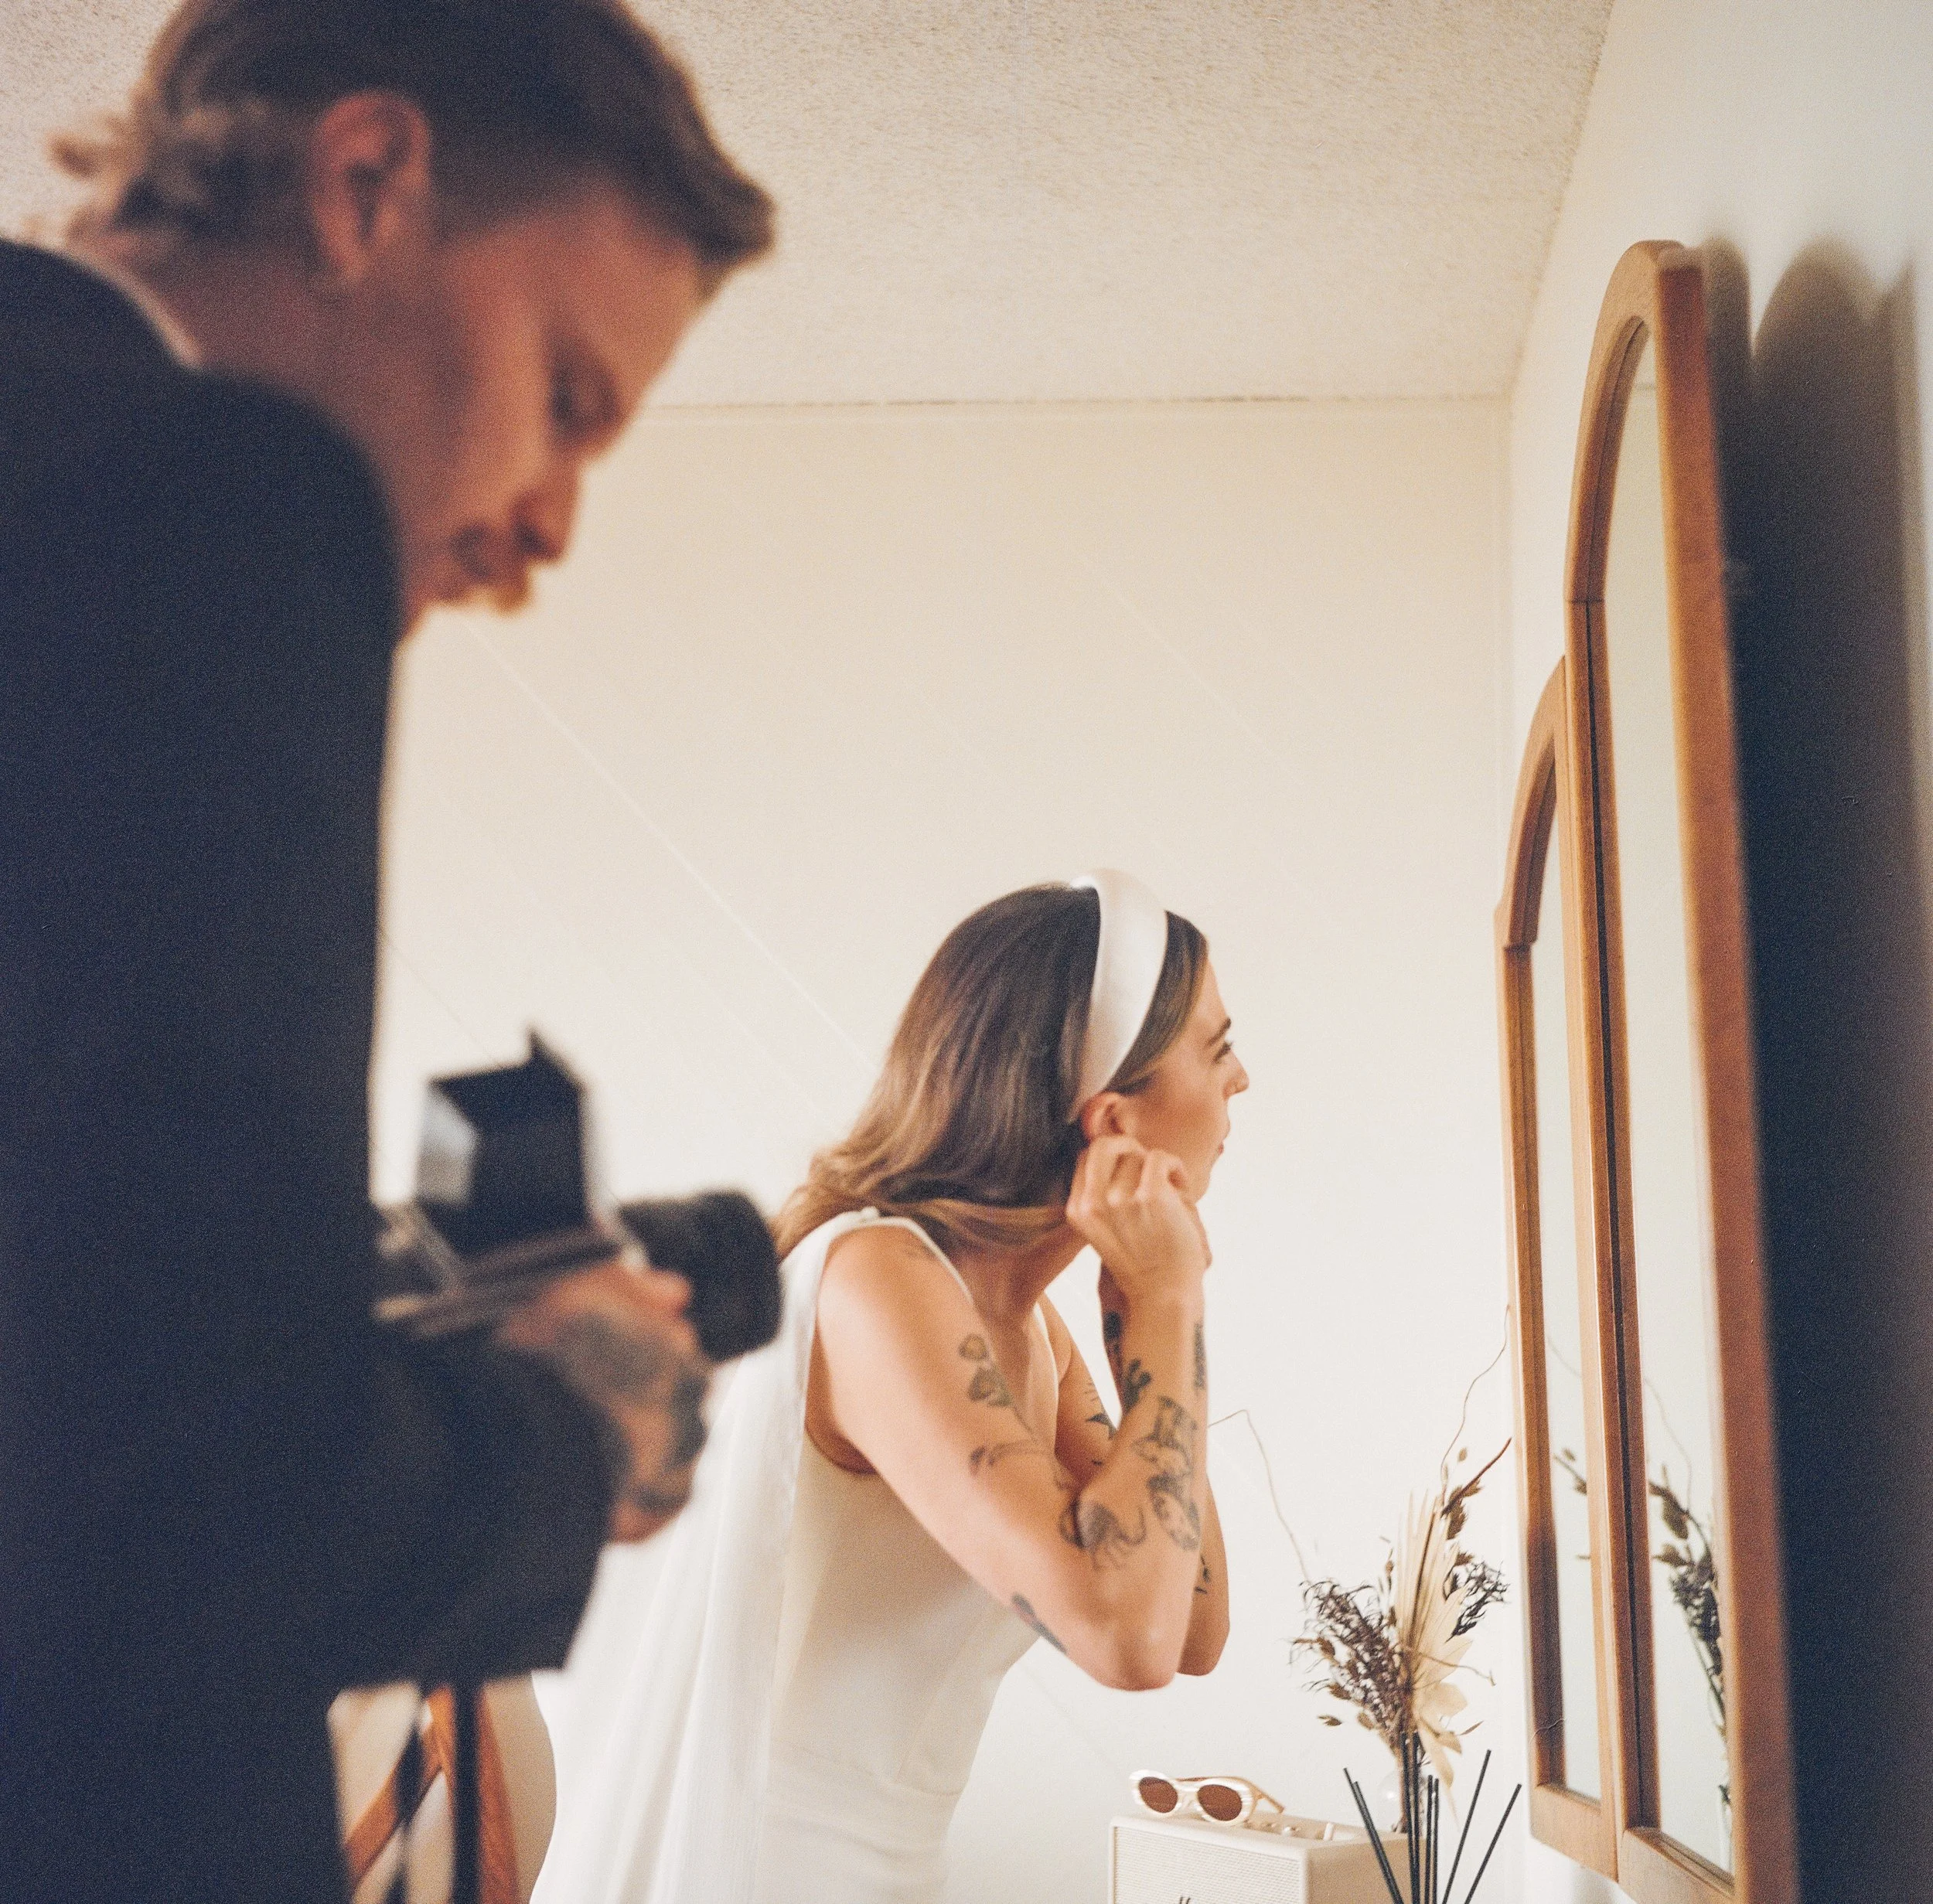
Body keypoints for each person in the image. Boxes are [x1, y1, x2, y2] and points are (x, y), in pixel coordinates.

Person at [0, 4, 772, 1899]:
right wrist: (575, 1431)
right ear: (363, 186)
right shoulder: (212, 511)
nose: (551, 528)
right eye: (568, 400)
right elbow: (184, 1499)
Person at [540, 871, 1244, 1904]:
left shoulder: (1023, 1319)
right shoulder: (882, 1280)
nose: (1241, 1084)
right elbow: (1121, 1635)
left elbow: (1189, 1622)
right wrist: (1172, 1299)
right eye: (1217, 1050)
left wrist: (1139, 1311)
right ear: (1111, 1117)